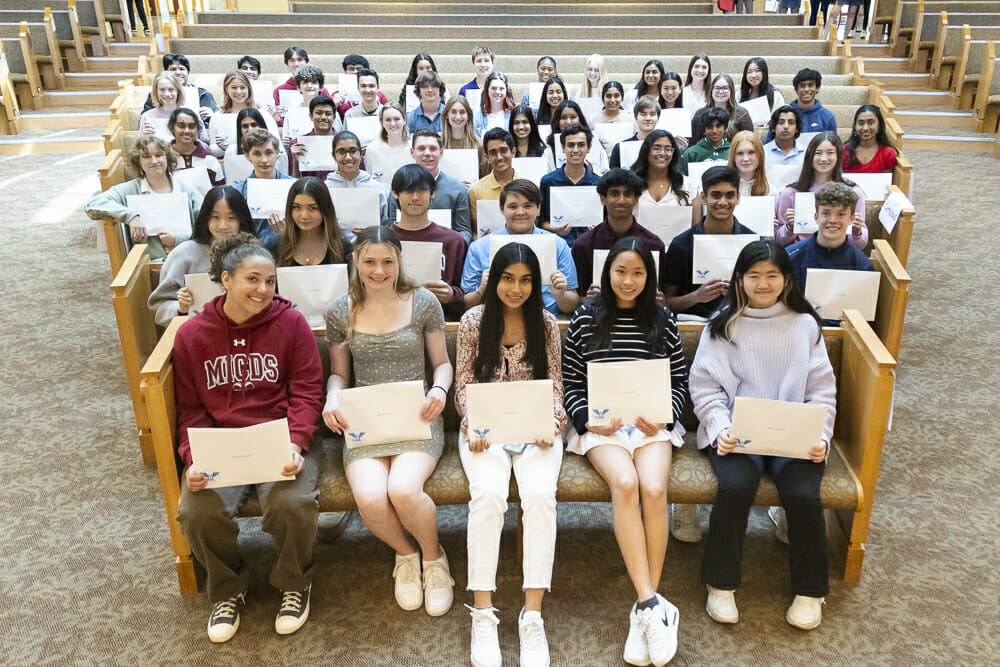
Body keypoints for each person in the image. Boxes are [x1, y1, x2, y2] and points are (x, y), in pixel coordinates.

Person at [174, 233, 324, 643]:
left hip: (280, 438)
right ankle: (226, 589)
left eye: (270, 281)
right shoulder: (191, 336)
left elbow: (307, 392)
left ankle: (295, 583)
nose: (263, 290)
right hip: (222, 444)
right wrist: (194, 456)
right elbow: (189, 409)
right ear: (225, 279)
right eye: (252, 279)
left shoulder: (291, 324)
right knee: (196, 510)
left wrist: (295, 443)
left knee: (290, 503)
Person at [689, 238, 836, 631]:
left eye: (772, 275)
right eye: (753, 275)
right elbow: (704, 389)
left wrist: (821, 435)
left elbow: (821, 390)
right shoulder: (722, 326)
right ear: (739, 280)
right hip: (738, 432)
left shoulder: (805, 325)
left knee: (803, 493)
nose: (763, 284)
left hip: (793, 432)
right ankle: (720, 583)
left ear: (787, 280)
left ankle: (810, 591)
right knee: (736, 486)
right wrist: (719, 428)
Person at [562, 237, 686, 667]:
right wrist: (587, 421)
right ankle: (651, 602)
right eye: (620, 272)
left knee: (653, 488)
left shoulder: (663, 319)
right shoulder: (584, 318)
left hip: (651, 425)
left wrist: (666, 415)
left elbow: (680, 383)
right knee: (626, 482)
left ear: (648, 276)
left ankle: (644, 606)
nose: (628, 281)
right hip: (602, 429)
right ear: (607, 274)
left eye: (637, 273)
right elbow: (571, 385)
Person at [323, 226, 455, 618]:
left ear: (399, 262)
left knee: (403, 489)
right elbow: (339, 374)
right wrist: (332, 396)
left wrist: (440, 392)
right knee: (369, 497)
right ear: (355, 263)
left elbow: (442, 364)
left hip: (416, 416)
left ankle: (434, 559)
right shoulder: (339, 310)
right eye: (369, 262)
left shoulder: (424, 301)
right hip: (365, 420)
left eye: (387, 262)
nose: (378, 271)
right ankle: (406, 554)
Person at [454, 243, 565, 667]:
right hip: (485, 431)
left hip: (535, 431)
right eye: (507, 278)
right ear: (493, 280)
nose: (515, 288)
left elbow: (556, 384)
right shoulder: (472, 323)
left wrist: (551, 422)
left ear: (535, 284)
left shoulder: (547, 323)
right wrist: (473, 421)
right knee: (488, 496)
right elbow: (463, 384)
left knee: (539, 498)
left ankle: (532, 614)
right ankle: (483, 612)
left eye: (525, 280)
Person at [462, 179, 579, 315]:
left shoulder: (558, 245)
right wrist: (481, 290)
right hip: (495, 321)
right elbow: (466, 305)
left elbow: (572, 305)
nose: (520, 212)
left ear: (539, 208)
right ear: (501, 209)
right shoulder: (479, 248)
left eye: (528, 206)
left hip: (545, 320)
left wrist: (560, 294)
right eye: (513, 206)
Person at [147, 186, 255, 326]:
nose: (223, 225)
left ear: (241, 220)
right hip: (199, 334)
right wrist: (180, 307)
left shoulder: (255, 253)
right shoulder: (184, 253)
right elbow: (159, 306)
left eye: (231, 218)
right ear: (205, 218)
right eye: (215, 217)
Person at [84, 135, 203, 260]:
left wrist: (176, 239)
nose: (154, 161)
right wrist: (131, 217)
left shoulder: (188, 191)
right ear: (138, 162)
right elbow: (92, 203)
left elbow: (206, 228)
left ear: (167, 158)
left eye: (159, 155)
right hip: (147, 266)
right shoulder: (130, 189)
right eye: (146, 157)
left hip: (187, 260)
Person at [661, 166, 757, 319]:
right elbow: (666, 301)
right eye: (716, 195)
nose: (723, 202)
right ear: (703, 198)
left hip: (741, 323)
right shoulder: (681, 245)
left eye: (729, 195)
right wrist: (697, 296)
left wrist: (742, 293)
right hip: (693, 325)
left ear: (738, 198)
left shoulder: (751, 244)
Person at [389, 164, 468, 320]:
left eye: (422, 190)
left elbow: (467, 293)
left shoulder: (454, 241)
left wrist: (452, 295)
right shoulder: (382, 240)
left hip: (441, 321)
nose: (415, 197)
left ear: (432, 193)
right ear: (395, 193)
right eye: (408, 191)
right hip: (391, 323)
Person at [572, 168, 666, 298]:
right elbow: (579, 297)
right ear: (603, 199)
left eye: (627, 194)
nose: (621, 200)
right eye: (615, 194)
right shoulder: (583, 245)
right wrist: (590, 301)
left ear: (636, 200)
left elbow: (659, 294)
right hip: (597, 316)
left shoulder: (654, 244)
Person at [787, 181, 875, 310]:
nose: (833, 220)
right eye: (826, 213)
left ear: (851, 219)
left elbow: (862, 317)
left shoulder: (862, 266)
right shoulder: (790, 257)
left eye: (841, 214)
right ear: (816, 217)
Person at [775, 132, 868, 248]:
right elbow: (779, 240)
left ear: (838, 156)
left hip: (839, 254)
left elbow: (861, 244)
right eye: (818, 153)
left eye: (830, 153)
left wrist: (857, 231)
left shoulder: (854, 192)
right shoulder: (790, 193)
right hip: (803, 254)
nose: (824, 159)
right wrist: (789, 227)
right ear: (810, 156)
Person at [388, 130, 473, 243]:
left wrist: (453, 247)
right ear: (412, 152)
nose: (427, 153)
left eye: (433, 149)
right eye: (421, 148)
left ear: (441, 152)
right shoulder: (400, 188)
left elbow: (464, 230)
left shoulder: (458, 190)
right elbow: (391, 226)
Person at [233, 129, 295, 253]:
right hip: (251, 254)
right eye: (257, 153)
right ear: (247, 155)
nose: (264, 160)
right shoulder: (238, 191)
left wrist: (286, 232)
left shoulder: (293, 186)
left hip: (289, 250)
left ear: (277, 153)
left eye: (269, 152)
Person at [539, 124, 601, 244]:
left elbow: (605, 222)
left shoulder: (599, 183)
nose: (576, 150)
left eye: (581, 145)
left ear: (589, 148)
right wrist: (555, 229)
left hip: (590, 246)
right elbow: (542, 223)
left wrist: (598, 229)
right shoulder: (548, 181)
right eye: (570, 145)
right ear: (563, 148)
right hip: (558, 245)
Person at [276, 176, 352, 267]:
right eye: (297, 207)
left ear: (325, 210)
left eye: (313, 208)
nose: (304, 216)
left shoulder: (343, 247)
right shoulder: (277, 246)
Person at [325, 130, 393, 232]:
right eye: (341, 152)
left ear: (361, 155)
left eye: (353, 151)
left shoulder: (378, 189)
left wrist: (371, 233)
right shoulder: (324, 189)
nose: (348, 157)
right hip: (333, 247)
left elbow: (387, 225)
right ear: (334, 156)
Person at [210, 70, 276, 157]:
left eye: (242, 87)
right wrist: (221, 148)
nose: (239, 92)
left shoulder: (263, 114)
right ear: (226, 89)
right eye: (234, 87)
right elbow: (213, 149)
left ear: (248, 88)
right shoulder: (217, 117)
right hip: (233, 162)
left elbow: (275, 143)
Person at [142, 54, 218, 124]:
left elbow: (215, 123)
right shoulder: (157, 95)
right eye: (173, 69)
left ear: (188, 72)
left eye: (182, 69)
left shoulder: (203, 95)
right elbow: (143, 121)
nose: (178, 72)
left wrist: (213, 117)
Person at [468, 128, 519, 231]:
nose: (499, 157)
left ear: (513, 152)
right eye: (493, 152)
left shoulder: (531, 186)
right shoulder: (475, 190)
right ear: (487, 157)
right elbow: (475, 231)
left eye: (503, 150)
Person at [223, 108, 291, 185]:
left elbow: (284, 178)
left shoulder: (276, 149)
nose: (250, 129)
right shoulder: (231, 151)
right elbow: (230, 179)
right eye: (245, 126)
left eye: (254, 125)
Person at [545, 100, 609, 175]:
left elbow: (606, 172)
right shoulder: (549, 149)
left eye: (573, 117)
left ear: (580, 119)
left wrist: (592, 171)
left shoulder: (594, 143)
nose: (568, 122)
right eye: (563, 118)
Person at [768, 69, 837, 139]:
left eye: (810, 85)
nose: (806, 89)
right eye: (802, 86)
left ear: (817, 88)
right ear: (796, 89)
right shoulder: (782, 114)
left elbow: (833, 144)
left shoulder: (828, 117)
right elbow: (769, 143)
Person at [632, 129, 692, 209]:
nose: (662, 153)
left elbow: (695, 220)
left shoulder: (686, 184)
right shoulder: (631, 182)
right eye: (656, 148)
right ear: (646, 151)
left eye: (667, 149)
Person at [140, 72, 204, 143]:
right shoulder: (146, 117)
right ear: (156, 92)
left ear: (178, 91)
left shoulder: (191, 115)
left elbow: (206, 144)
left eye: (171, 90)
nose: (167, 94)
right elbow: (140, 149)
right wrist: (144, 138)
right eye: (162, 89)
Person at [169, 108, 224, 188]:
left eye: (192, 126)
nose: (187, 131)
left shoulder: (210, 159)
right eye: (181, 126)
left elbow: (220, 192)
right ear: (172, 128)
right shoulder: (163, 158)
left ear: (198, 130)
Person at [691, 74, 753, 144]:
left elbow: (750, 142)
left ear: (731, 91)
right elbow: (694, 143)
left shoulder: (742, 113)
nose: (720, 92)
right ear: (711, 90)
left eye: (725, 88)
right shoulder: (700, 114)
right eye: (717, 88)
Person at [288, 95, 339, 181]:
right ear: (311, 116)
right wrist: (296, 161)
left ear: (334, 118)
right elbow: (293, 180)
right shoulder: (297, 144)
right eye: (319, 113)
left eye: (328, 114)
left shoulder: (344, 143)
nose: (323, 117)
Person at [366, 102, 416, 186]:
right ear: (382, 123)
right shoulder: (372, 149)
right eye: (388, 120)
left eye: (396, 119)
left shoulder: (415, 147)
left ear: (404, 120)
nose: (392, 124)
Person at [609, 96, 662, 169]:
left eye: (652, 114)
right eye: (643, 114)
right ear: (636, 117)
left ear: (658, 118)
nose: (648, 118)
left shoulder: (665, 147)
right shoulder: (621, 148)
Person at [442, 96, 487, 182]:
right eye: (453, 112)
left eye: (462, 112)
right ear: (447, 115)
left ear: (468, 116)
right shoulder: (438, 144)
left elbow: (485, 178)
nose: (458, 117)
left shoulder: (479, 144)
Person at [842, 104, 898, 173]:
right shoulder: (844, 151)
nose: (865, 128)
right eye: (861, 123)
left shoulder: (888, 153)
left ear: (879, 125)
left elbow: (887, 181)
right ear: (855, 126)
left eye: (871, 122)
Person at [679, 108, 731, 176]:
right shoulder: (691, 153)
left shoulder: (733, 150)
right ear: (704, 130)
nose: (714, 131)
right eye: (710, 127)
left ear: (725, 128)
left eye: (718, 126)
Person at [737, 57, 786, 125]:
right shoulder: (739, 94)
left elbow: (781, 120)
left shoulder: (776, 95)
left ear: (764, 73)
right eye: (749, 72)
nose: (753, 75)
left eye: (757, 71)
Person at [728, 131, 771, 196]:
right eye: (740, 153)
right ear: (733, 157)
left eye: (751, 152)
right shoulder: (722, 190)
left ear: (760, 155)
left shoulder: (770, 191)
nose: (745, 159)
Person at [474, 71, 515, 138]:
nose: (497, 92)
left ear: (506, 91)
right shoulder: (478, 116)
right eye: (493, 88)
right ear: (487, 90)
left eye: (501, 88)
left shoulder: (513, 114)